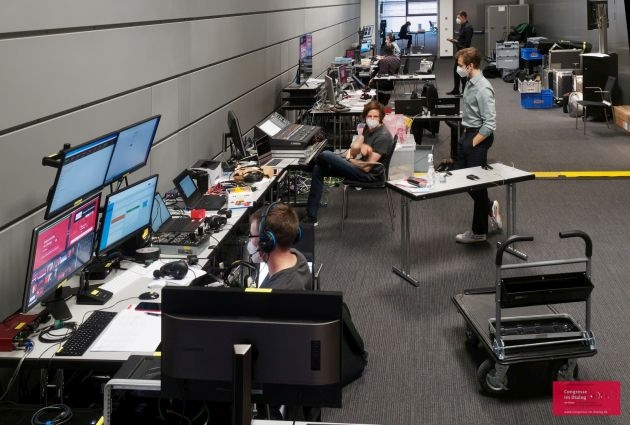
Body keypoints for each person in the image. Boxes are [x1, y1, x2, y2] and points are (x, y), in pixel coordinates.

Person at [303, 100, 394, 225]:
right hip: (358, 166)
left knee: (325, 155)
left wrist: (349, 159)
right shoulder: (369, 128)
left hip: (369, 175)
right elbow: (356, 146)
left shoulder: (383, 137)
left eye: (375, 116)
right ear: (365, 117)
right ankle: (311, 216)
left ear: (381, 118)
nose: (372, 119)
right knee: (318, 169)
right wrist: (352, 152)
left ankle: (306, 166)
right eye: (369, 116)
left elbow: (367, 168)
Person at [453, 47, 502, 244]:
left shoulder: (483, 88)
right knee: (462, 178)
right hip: (468, 133)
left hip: (478, 137)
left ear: (470, 66)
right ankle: (489, 206)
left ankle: (479, 232)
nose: (458, 68)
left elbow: (490, 124)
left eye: (460, 65)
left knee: (475, 183)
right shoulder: (470, 82)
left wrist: (472, 143)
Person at [247, 202, 311, 289]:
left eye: (251, 235)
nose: (250, 241)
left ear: (266, 242)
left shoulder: (280, 289)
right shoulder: (297, 256)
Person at [447, 11, 474, 96]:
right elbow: (461, 40)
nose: (457, 19)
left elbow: (467, 43)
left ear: (463, 17)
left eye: (458, 17)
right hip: (459, 51)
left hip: (464, 53)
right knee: (456, 71)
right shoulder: (462, 27)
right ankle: (456, 89)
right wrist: (454, 41)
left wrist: (460, 49)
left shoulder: (468, 27)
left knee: (462, 72)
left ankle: (464, 91)